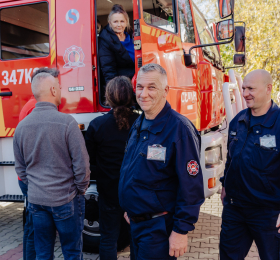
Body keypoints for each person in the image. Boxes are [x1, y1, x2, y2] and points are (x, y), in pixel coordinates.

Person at [119, 63, 205, 259]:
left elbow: (191, 186)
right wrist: (129, 207)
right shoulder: (139, 123)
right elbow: (132, 170)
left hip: (158, 230)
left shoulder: (179, 129)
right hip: (136, 224)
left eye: (152, 87)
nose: (143, 93)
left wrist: (181, 231)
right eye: (140, 87)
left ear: (166, 90)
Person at [13, 69, 90, 260]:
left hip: (37, 202)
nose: (61, 90)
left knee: (43, 253)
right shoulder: (67, 123)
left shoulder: (21, 127)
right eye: (59, 87)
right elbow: (82, 165)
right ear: (53, 91)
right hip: (66, 199)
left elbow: (21, 168)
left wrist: (35, 190)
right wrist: (80, 189)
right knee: (72, 252)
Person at [219, 69, 280, 260]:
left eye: (251, 88)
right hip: (235, 210)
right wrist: (224, 186)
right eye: (244, 88)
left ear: (268, 88)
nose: (245, 93)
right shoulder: (238, 121)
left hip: (268, 214)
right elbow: (231, 158)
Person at [85, 76, 138, 259]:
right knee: (136, 238)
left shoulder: (97, 125)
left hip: (108, 193)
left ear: (108, 97)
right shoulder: (141, 123)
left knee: (108, 239)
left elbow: (88, 159)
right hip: (136, 192)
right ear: (132, 95)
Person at [17, 67, 59, 260]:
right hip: (33, 178)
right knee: (33, 225)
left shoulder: (31, 105)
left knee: (31, 223)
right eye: (56, 84)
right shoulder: (35, 108)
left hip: (30, 177)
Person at [98, 4, 135, 88]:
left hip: (137, 81)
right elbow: (108, 70)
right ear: (110, 23)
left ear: (126, 22)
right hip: (122, 86)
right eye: (115, 22)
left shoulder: (132, 35)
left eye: (122, 21)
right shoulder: (105, 40)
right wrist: (115, 91)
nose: (119, 25)